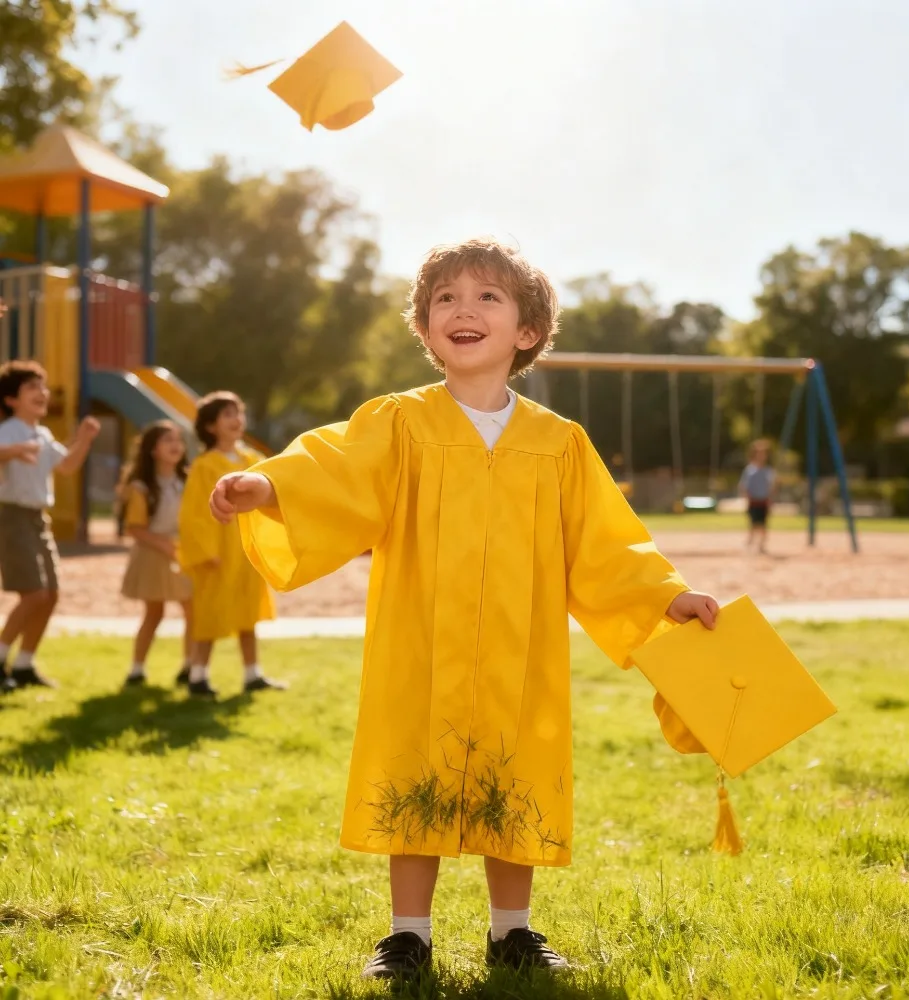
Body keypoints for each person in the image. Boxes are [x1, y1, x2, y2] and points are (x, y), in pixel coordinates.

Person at [208, 238, 720, 982]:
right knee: (417, 762)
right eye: (444, 299)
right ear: (423, 329)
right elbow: (336, 468)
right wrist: (268, 487)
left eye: (487, 297)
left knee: (514, 772)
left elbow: (605, 545)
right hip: (420, 638)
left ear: (527, 331)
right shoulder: (400, 423)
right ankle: (406, 936)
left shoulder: (560, 445)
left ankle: (513, 931)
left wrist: (667, 595)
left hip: (520, 648)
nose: (463, 310)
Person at [0, 359, 100, 689]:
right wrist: (12, 451)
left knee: (51, 593)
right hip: (11, 516)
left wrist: (84, 439)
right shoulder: (8, 431)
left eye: (42, 386)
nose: (42, 392)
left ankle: (25, 665)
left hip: (38, 519)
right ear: (11, 399)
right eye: (32, 387)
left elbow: (68, 466)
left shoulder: (42, 434)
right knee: (34, 594)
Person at [178, 391, 285, 698]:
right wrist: (205, 551)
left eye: (239, 412)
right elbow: (195, 512)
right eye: (227, 414)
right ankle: (198, 674)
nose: (237, 419)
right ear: (211, 426)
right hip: (219, 552)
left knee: (248, 612)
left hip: (247, 549)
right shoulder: (204, 466)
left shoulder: (253, 461)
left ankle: (253, 673)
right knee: (210, 614)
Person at [119, 421, 194, 688]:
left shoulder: (188, 481)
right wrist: (163, 545)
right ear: (152, 449)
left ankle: (190, 667)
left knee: (192, 609)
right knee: (154, 611)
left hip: (180, 553)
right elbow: (135, 528)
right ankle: (136, 669)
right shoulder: (141, 487)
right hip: (153, 554)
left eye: (178, 440)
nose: (176, 445)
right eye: (167, 440)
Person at [738, 439, 777, 554]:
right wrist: (746, 496)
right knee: (753, 522)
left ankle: (761, 545)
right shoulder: (750, 470)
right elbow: (744, 485)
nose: (761, 456)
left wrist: (771, 498)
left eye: (763, 454)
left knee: (763, 524)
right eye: (759, 453)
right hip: (753, 500)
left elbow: (771, 486)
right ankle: (751, 540)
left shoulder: (768, 470)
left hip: (764, 500)